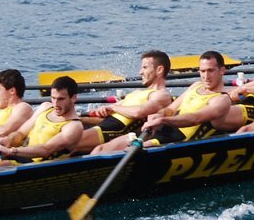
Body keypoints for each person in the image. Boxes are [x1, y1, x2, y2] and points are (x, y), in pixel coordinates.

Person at [95, 51, 233, 152]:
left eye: (211, 71)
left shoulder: (221, 99)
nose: (206, 76)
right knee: (102, 149)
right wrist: (160, 114)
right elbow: (171, 109)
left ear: (222, 70)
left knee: (128, 151)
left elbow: (194, 118)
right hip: (163, 130)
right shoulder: (196, 85)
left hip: (179, 139)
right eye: (202, 71)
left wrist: (163, 120)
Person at [62, 50, 174, 154]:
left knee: (73, 144)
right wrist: (81, 118)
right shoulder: (136, 93)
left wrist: (113, 108)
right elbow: (110, 112)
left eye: (145, 67)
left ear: (159, 70)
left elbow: (138, 112)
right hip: (109, 124)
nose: (140, 72)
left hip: (123, 130)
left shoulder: (162, 95)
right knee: (66, 134)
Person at [0, 76, 86, 165]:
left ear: (73, 98)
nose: (55, 103)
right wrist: (8, 140)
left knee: (0, 165)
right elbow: (21, 133)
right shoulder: (45, 107)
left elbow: (46, 150)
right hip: (22, 156)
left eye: (61, 99)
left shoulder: (74, 126)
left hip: (39, 165)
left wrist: (10, 151)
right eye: (53, 98)